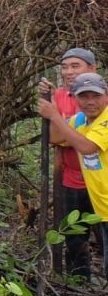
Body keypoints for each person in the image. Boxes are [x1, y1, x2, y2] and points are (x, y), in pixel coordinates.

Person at [39, 71, 108, 276]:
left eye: (96, 96)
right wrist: (52, 103)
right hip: (103, 207)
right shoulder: (81, 121)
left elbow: (86, 146)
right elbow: (55, 137)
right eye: (84, 96)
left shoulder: (105, 121)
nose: (90, 102)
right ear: (75, 98)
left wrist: (54, 115)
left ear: (106, 95)